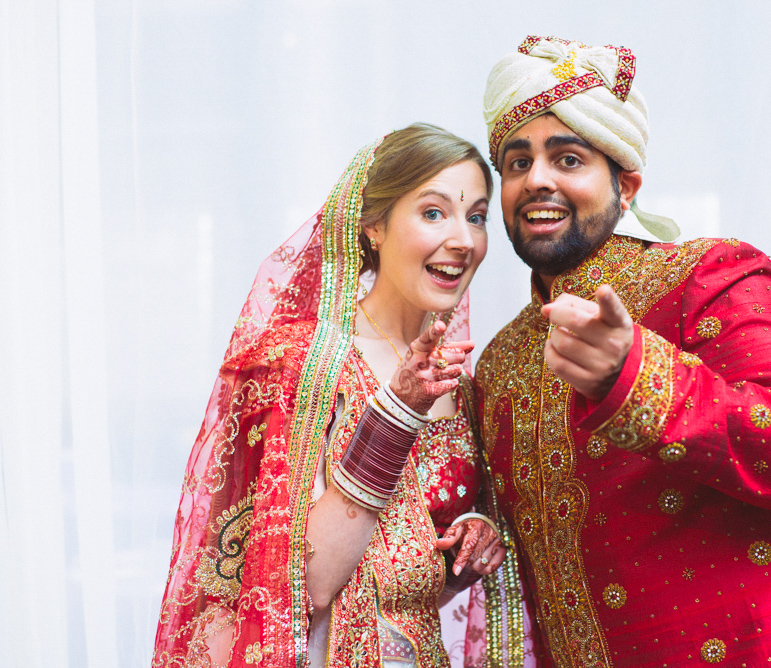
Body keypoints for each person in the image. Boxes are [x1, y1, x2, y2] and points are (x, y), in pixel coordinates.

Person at [473, 36, 771, 666]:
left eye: (569, 158)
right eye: (518, 163)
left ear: (626, 185)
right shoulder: (500, 364)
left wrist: (635, 376)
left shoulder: (713, 277)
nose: (538, 181)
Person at [152, 124, 516, 668]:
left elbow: (396, 580)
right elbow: (306, 586)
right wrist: (394, 416)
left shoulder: (456, 384)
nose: (463, 239)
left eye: (477, 216)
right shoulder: (300, 361)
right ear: (372, 226)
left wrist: (472, 543)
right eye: (434, 212)